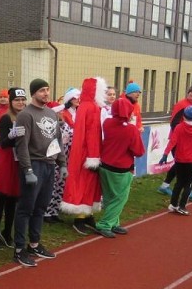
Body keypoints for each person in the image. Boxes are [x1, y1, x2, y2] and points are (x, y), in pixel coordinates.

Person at [12, 79, 65, 267]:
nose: (46, 93)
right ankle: (19, 249)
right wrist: (27, 170)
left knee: (41, 207)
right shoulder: (25, 115)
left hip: (49, 165)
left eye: (47, 90)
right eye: (42, 90)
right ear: (34, 93)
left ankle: (34, 243)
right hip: (34, 165)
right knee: (26, 208)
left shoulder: (51, 113)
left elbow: (57, 140)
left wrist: (62, 164)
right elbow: (22, 145)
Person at [61, 76, 107, 235]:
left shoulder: (87, 106)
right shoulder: (91, 108)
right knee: (85, 183)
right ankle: (80, 218)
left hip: (83, 152)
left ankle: (88, 215)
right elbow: (91, 135)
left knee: (89, 184)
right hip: (87, 154)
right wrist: (94, 156)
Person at [96, 97, 145, 238]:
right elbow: (139, 151)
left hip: (105, 166)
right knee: (119, 199)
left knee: (110, 197)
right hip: (121, 169)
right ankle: (105, 224)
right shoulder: (131, 130)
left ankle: (113, 223)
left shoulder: (107, 123)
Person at [0, 87, 27, 248]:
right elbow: (3, 142)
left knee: (14, 198)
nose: (20, 102)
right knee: (2, 198)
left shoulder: (26, 116)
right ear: (11, 101)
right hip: (7, 160)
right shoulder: (6, 118)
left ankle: (7, 232)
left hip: (20, 160)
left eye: (22, 99)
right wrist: (13, 135)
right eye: (17, 100)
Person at [159, 105, 192, 215]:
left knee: (179, 182)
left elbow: (172, 142)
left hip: (179, 159)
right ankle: (182, 206)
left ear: (184, 116)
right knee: (188, 184)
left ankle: (173, 204)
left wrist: (165, 154)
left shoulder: (179, 127)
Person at [158, 84, 192, 201]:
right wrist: (181, 135)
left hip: (189, 143)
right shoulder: (181, 104)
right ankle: (188, 189)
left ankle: (165, 186)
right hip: (177, 140)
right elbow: (173, 123)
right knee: (183, 165)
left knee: (179, 164)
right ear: (188, 92)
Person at [45, 87, 80, 223]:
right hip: (54, 159)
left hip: (64, 159)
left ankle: (54, 211)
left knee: (60, 185)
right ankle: (46, 213)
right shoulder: (53, 125)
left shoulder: (64, 124)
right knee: (52, 186)